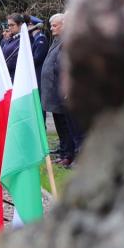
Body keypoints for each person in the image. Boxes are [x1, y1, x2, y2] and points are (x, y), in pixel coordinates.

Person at [41, 12, 83, 167]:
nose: (52, 28)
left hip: (72, 92)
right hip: (60, 91)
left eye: (56, 25)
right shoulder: (61, 40)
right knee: (69, 127)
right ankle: (68, 154)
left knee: (76, 128)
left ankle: (77, 157)